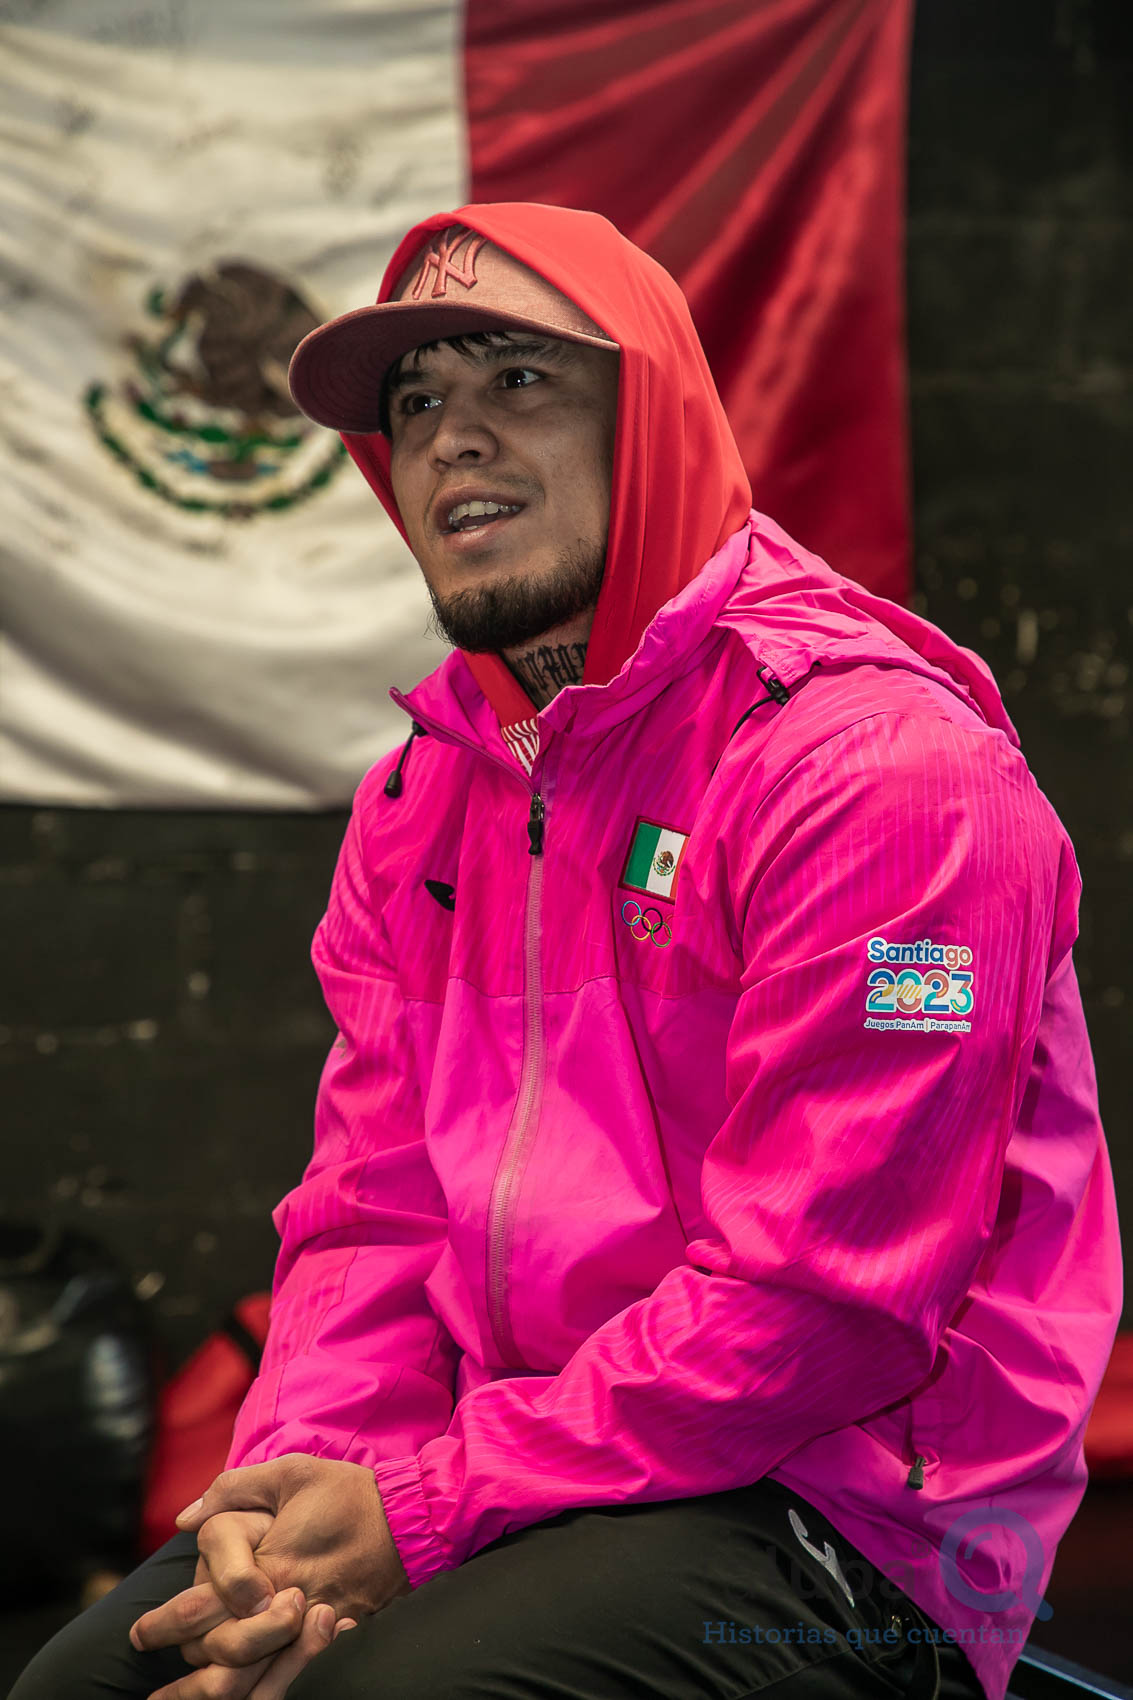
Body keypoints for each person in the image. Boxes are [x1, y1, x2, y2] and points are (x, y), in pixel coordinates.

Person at [15, 203, 1121, 1700]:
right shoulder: (421, 801)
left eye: (519, 379)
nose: (453, 438)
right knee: (92, 1688)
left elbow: (824, 1311)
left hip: (850, 1520)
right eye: (417, 403)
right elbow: (369, 1219)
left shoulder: (878, 773)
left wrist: (421, 1516)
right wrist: (294, 1521)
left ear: (649, 419)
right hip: (516, 1470)